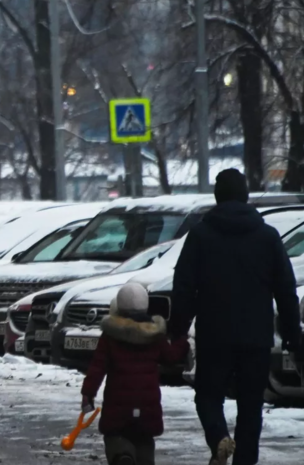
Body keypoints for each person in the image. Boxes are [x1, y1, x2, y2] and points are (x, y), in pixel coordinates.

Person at [172, 169, 304, 465]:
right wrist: (293, 338)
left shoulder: (201, 236)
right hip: (255, 338)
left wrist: (177, 329)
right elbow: (285, 291)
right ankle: (245, 460)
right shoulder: (268, 237)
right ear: (245, 196)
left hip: (214, 335)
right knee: (250, 404)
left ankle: (219, 438)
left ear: (217, 197)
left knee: (208, 396)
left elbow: (183, 287)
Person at [81, 282, 189, 465]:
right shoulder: (155, 335)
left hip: (118, 404)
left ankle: (122, 455)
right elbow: (171, 357)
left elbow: (97, 368)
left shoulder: (110, 336)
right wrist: (184, 342)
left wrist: (88, 394)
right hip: (147, 403)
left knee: (115, 435)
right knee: (144, 438)